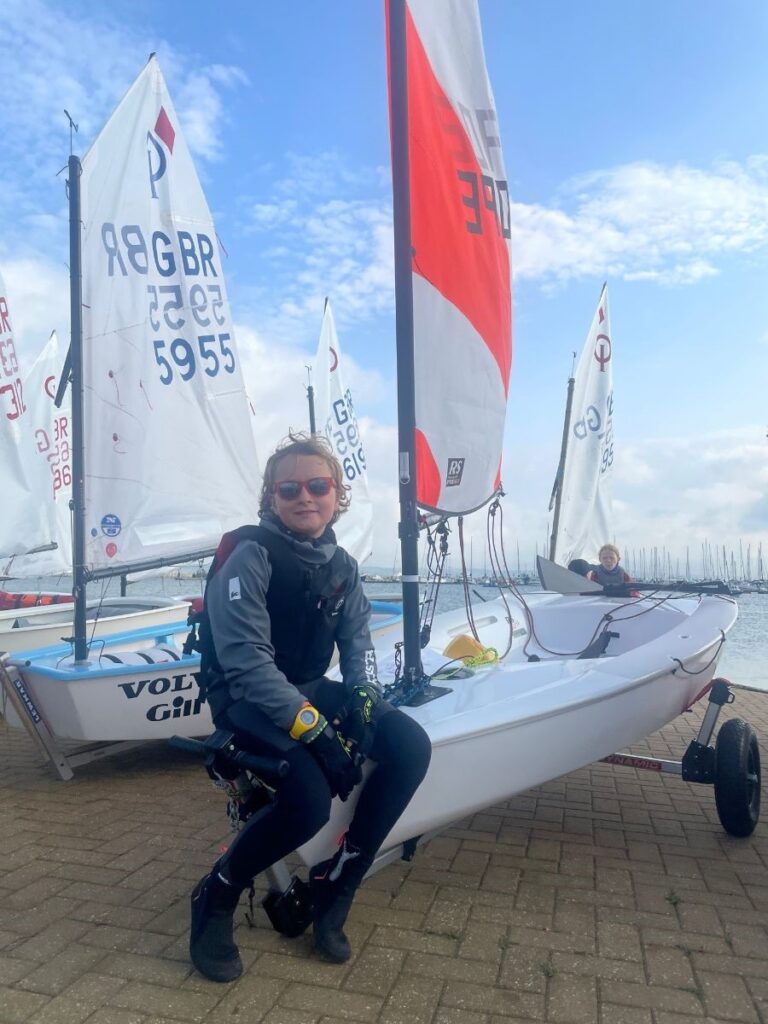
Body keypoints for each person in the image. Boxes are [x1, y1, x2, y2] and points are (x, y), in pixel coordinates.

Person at [189, 432, 432, 981]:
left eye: (318, 485)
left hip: (306, 687)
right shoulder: (249, 554)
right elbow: (248, 664)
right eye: (289, 488)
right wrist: (317, 731)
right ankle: (217, 895)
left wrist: (365, 696)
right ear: (272, 498)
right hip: (246, 699)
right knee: (307, 798)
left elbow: (357, 645)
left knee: (409, 746)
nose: (305, 497)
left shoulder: (342, 564)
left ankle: (337, 885)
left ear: (336, 494)